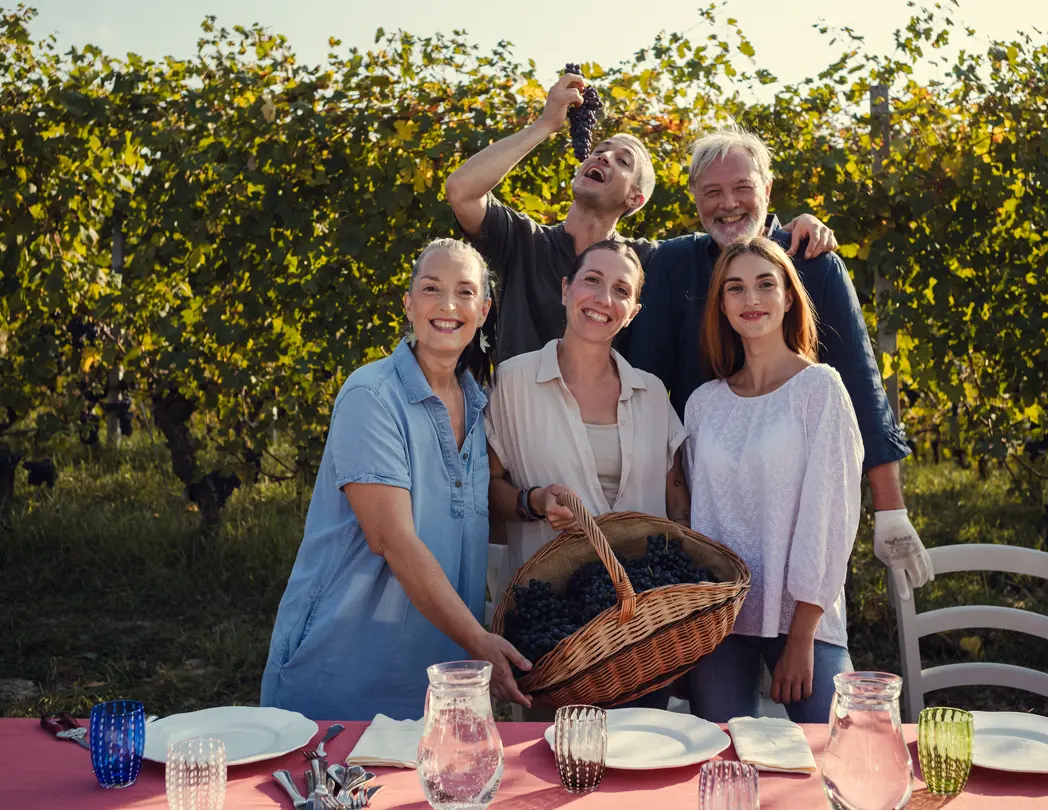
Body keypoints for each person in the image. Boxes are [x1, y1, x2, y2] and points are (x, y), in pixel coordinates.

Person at [626, 126, 934, 601]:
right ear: (694, 201)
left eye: (743, 188)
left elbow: (859, 384)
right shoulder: (671, 264)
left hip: (795, 510)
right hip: (706, 507)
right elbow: (643, 389)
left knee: (802, 648)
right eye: (712, 192)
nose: (728, 203)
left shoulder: (813, 262)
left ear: (768, 191)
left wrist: (890, 511)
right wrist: (668, 504)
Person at [260, 238, 532, 721]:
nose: (448, 305)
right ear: (408, 304)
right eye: (431, 288)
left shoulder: (478, 405)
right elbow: (394, 540)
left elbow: (466, 516)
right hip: (343, 677)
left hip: (437, 682)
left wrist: (535, 504)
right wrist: (479, 640)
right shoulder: (372, 396)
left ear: (484, 310)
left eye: (465, 292)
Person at [444, 71, 838, 363]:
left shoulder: (648, 262)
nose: (603, 156)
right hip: (515, 437)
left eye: (623, 159)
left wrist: (784, 229)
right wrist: (546, 124)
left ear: (636, 198)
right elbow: (461, 190)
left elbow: (729, 239)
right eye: (600, 150)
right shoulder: (522, 240)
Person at [484, 240, 688, 715]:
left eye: (620, 290)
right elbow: (485, 492)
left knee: (641, 767)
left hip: (643, 632)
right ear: (565, 289)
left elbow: (676, 504)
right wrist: (533, 501)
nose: (603, 298)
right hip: (554, 630)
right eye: (592, 280)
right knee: (552, 770)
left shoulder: (653, 394)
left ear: (632, 312)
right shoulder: (512, 382)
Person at [681, 236, 863, 723]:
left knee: (830, 750)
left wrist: (802, 636)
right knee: (719, 757)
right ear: (722, 305)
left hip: (803, 612)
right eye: (735, 288)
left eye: (766, 285)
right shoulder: (703, 404)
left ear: (789, 297)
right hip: (721, 619)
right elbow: (698, 520)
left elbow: (832, 515)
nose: (752, 300)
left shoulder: (820, 389)